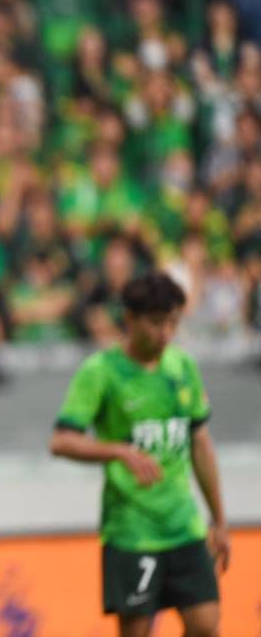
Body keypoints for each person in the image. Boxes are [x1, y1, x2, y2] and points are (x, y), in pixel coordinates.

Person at [49, 272, 229, 637]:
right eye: (156, 322)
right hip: (131, 531)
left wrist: (219, 520)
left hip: (184, 526)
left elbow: (200, 443)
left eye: (173, 322)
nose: (166, 333)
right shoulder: (100, 372)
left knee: (207, 625)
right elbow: (62, 441)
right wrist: (119, 451)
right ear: (130, 319)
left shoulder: (183, 367)